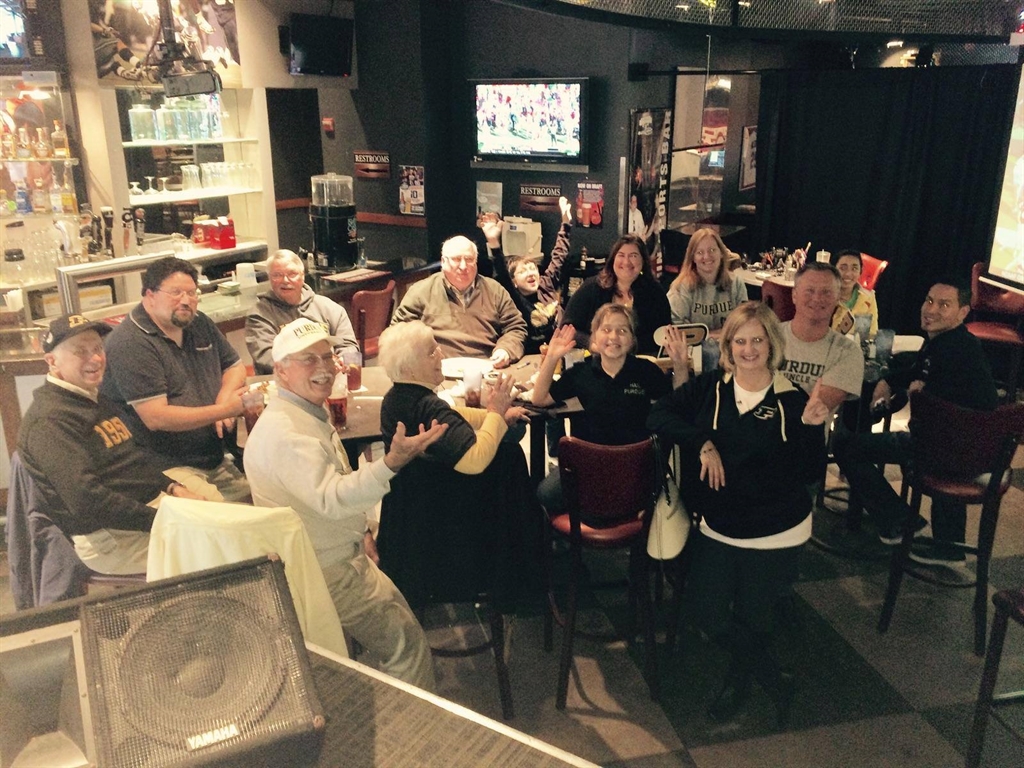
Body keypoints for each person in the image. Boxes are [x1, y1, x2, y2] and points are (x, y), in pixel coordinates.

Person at [648, 301, 827, 725]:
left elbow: (808, 473)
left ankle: (739, 681)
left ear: (771, 344)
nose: (749, 349)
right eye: (740, 341)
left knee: (752, 615)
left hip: (775, 529)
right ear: (728, 346)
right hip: (720, 525)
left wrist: (815, 430)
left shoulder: (790, 399)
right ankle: (774, 676)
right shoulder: (711, 387)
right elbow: (658, 414)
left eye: (757, 340)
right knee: (706, 610)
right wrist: (701, 443)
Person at [243, 318, 447, 690]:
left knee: (397, 635)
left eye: (327, 356)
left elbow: (329, 493)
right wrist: (391, 463)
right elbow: (333, 498)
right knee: (408, 646)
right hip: (327, 570)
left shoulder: (298, 414)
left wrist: (364, 531)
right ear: (281, 371)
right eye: (308, 360)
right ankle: (418, 734)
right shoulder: (288, 435)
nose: (323, 368)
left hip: (324, 555)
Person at [18, 315, 210, 575]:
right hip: (111, 540)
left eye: (98, 348)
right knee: (217, 548)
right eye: (80, 351)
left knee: (226, 520)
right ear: (52, 362)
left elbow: (135, 456)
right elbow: (88, 501)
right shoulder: (49, 422)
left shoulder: (94, 398)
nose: (95, 358)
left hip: (145, 511)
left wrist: (172, 487)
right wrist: (164, 520)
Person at [375, 320, 544, 615]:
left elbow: (453, 415)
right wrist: (495, 413)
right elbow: (475, 460)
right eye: (431, 352)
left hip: (414, 508)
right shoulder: (427, 405)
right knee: (511, 456)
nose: (440, 355)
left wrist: (499, 416)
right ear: (409, 367)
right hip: (451, 511)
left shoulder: (397, 398)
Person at [835, 279, 998, 560]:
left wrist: (920, 395)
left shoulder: (956, 349)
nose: (931, 309)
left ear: (963, 313)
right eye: (929, 300)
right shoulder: (949, 342)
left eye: (944, 305)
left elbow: (942, 395)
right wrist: (890, 381)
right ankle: (947, 546)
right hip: (968, 446)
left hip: (952, 450)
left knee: (847, 447)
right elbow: (918, 371)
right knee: (871, 444)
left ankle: (900, 520)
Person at [100, 256, 249, 501]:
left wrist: (224, 396)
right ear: (149, 295)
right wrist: (223, 410)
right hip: (167, 467)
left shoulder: (198, 323)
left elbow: (234, 366)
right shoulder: (131, 343)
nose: (186, 300)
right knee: (224, 520)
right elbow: (157, 417)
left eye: (192, 293)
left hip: (213, 457)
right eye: (176, 292)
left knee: (264, 500)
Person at [531, 305, 689, 510]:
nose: (614, 336)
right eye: (606, 329)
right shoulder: (580, 373)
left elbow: (679, 404)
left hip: (634, 474)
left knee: (545, 494)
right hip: (590, 472)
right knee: (543, 493)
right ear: (594, 337)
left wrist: (680, 364)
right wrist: (552, 357)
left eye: (623, 330)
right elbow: (539, 399)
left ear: (632, 339)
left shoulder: (646, 371)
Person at [391, 235, 527, 367]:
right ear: (443, 262)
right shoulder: (421, 290)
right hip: (435, 371)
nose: (463, 266)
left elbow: (515, 327)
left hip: (487, 367)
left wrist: (505, 350)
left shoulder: (495, 290)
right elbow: (398, 330)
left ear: (476, 261)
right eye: (456, 259)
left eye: (469, 259)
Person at [480, 196, 573, 354]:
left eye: (532, 268)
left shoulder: (546, 284)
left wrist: (566, 223)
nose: (530, 273)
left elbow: (559, 256)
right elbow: (502, 273)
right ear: (514, 281)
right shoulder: (514, 297)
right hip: (529, 355)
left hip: (559, 350)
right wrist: (494, 243)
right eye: (523, 271)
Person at [245, 248, 358, 375]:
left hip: (331, 382)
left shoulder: (330, 308)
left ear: (303, 276)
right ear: (269, 279)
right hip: (281, 387)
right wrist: (312, 367)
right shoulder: (259, 315)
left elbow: (352, 351)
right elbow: (266, 358)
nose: (285, 280)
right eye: (277, 275)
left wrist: (345, 362)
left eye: (292, 274)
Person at [560, 234, 671, 356]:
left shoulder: (655, 292)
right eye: (621, 255)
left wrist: (628, 347)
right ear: (613, 259)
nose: (626, 262)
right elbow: (566, 328)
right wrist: (592, 344)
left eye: (633, 256)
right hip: (596, 361)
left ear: (643, 261)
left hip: (640, 364)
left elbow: (664, 333)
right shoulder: (592, 287)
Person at [780, 261, 864, 418]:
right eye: (809, 291)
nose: (817, 298)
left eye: (826, 292)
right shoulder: (768, 337)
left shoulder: (847, 353)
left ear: (838, 298)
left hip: (804, 439)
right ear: (794, 295)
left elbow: (811, 413)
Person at [666, 227, 749, 371]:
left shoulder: (736, 284)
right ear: (692, 257)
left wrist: (715, 336)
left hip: (729, 343)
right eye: (700, 252)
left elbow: (744, 322)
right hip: (694, 347)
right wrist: (712, 336)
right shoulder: (681, 287)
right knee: (711, 350)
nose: (707, 256)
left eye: (712, 250)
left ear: (721, 253)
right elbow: (677, 328)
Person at [830, 250, 878, 338]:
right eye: (843, 268)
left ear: (861, 271)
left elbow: (872, 332)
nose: (848, 274)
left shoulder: (868, 297)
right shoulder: (825, 297)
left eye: (854, 268)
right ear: (833, 270)